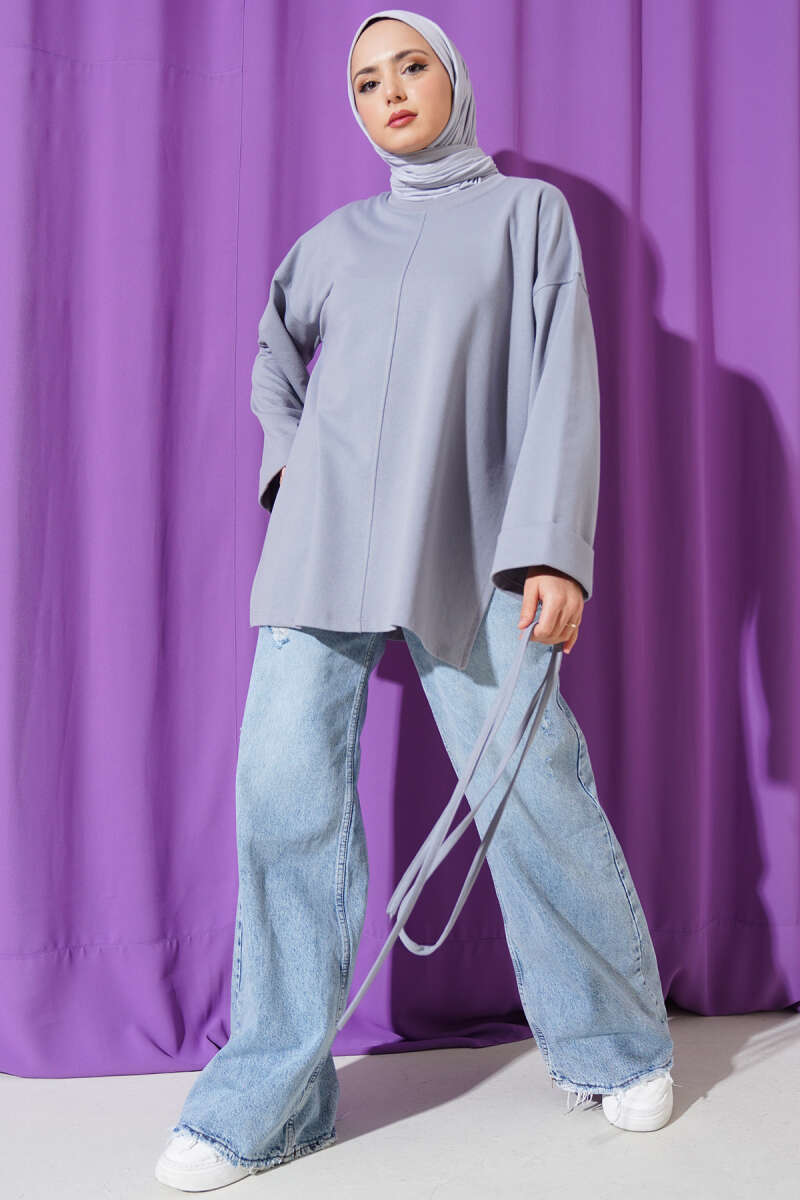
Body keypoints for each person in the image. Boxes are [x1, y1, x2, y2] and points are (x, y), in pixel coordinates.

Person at [155, 9, 675, 1191]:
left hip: (477, 541)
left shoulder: (527, 217)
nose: (388, 91)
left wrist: (553, 551)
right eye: (364, 81)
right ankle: (263, 1109)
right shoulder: (330, 242)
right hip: (322, 548)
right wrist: (290, 470)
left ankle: (614, 1045)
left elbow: (560, 378)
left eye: (409, 66)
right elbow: (272, 357)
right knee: (282, 807)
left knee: (530, 786)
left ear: (452, 79)